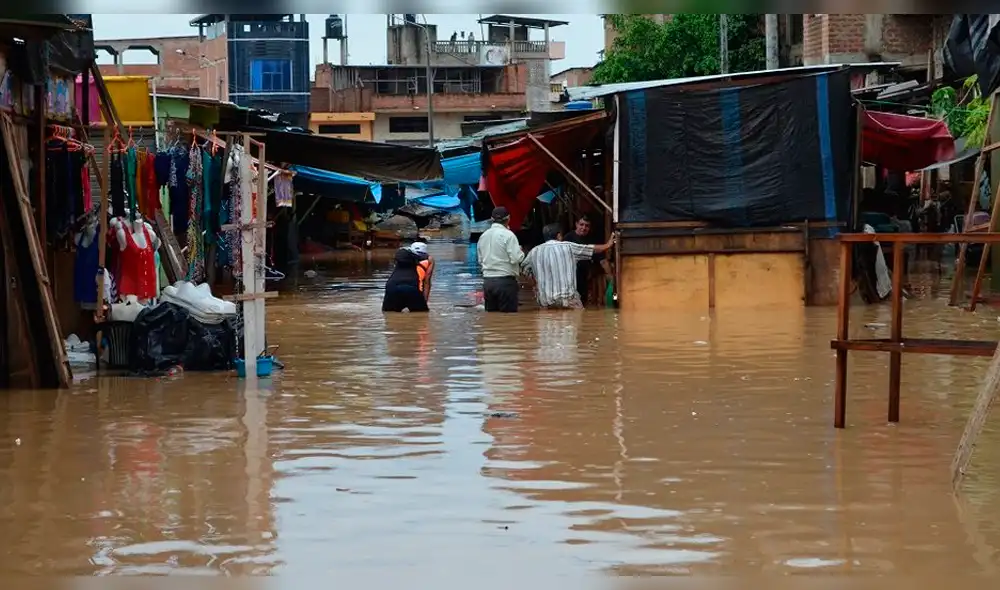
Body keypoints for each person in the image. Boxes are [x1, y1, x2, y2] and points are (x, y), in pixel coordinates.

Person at [522, 223, 615, 309]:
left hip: (546, 300)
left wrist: (534, 285)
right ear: (559, 235)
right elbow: (591, 249)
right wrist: (607, 245)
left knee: (547, 319)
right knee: (579, 317)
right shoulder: (568, 247)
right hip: (568, 300)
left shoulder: (534, 252)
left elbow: (524, 270)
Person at [477, 206, 524, 312]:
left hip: (488, 283)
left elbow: (480, 260)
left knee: (492, 317)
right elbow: (516, 258)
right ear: (508, 219)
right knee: (509, 318)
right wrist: (521, 252)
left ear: (491, 219)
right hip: (505, 282)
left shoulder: (483, 236)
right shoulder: (509, 235)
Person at [564, 214, 614, 306]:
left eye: (587, 226)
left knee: (583, 303)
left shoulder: (592, 239)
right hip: (570, 278)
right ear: (576, 224)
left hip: (584, 277)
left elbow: (602, 260)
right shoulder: (568, 238)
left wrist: (611, 278)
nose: (584, 228)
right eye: (581, 224)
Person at [382, 241, 433, 312]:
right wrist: (424, 302)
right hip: (412, 289)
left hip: (392, 288)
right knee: (421, 315)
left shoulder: (400, 256)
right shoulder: (429, 260)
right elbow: (427, 282)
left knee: (389, 314)